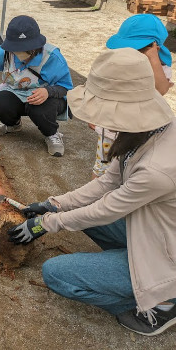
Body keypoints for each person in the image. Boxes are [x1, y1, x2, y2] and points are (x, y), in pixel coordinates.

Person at [9, 48, 176, 337]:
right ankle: (131, 269)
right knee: (81, 215)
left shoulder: (157, 169)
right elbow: (106, 184)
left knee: (56, 274)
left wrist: (45, 223)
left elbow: (107, 208)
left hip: (168, 255)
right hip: (154, 230)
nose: (93, 121)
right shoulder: (146, 130)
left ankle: (161, 303)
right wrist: (52, 205)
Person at [0, 16, 73, 157]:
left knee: (40, 109)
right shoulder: (4, 53)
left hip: (46, 98)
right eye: (16, 48)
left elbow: (66, 87)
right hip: (16, 92)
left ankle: (52, 134)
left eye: (26, 49)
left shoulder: (52, 57)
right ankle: (12, 125)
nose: (19, 53)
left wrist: (48, 91)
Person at [88, 13, 173, 177]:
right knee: (102, 168)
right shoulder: (119, 59)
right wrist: (93, 114)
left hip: (139, 128)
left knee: (128, 168)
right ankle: (94, 198)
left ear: (154, 46)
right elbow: (104, 88)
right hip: (111, 126)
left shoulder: (161, 65)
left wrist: (153, 58)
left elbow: (160, 90)